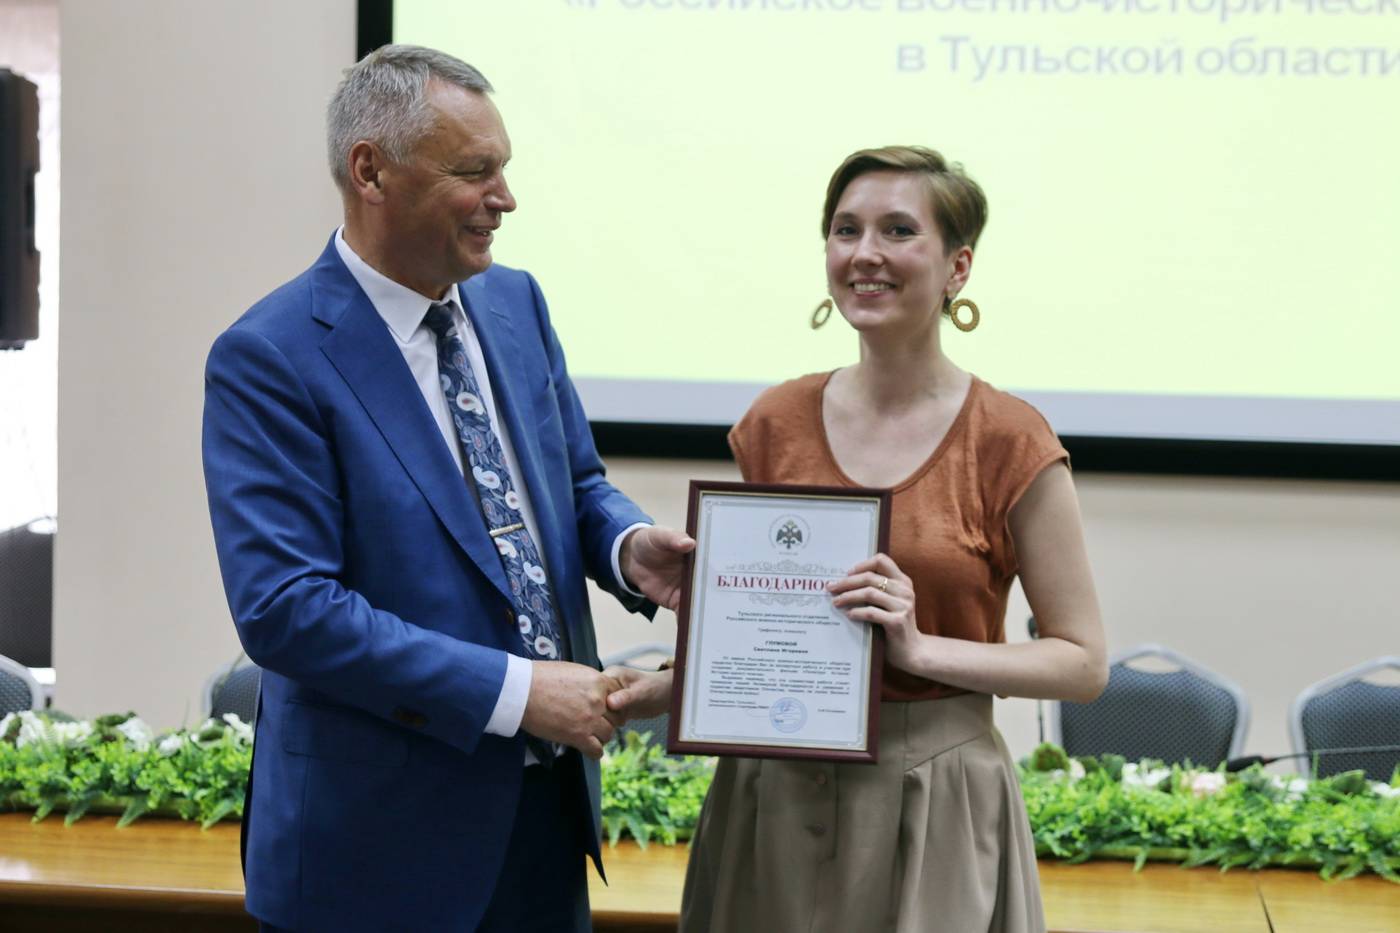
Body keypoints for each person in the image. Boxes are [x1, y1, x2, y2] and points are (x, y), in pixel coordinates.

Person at [201, 45, 692, 932]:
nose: (506, 198)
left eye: (504, 168)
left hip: (544, 828)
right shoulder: (270, 356)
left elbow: (574, 482)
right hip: (373, 858)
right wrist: (518, 692)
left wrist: (626, 546)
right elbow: (287, 609)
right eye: (475, 172)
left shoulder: (515, 302)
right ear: (371, 172)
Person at [607, 146, 1107, 932]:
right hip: (769, 796)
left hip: (936, 796)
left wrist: (920, 648)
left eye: (898, 230)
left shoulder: (1011, 439)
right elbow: (782, 631)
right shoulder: (773, 421)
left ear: (958, 266)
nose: (865, 252)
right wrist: (672, 687)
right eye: (846, 230)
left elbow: (1081, 663)